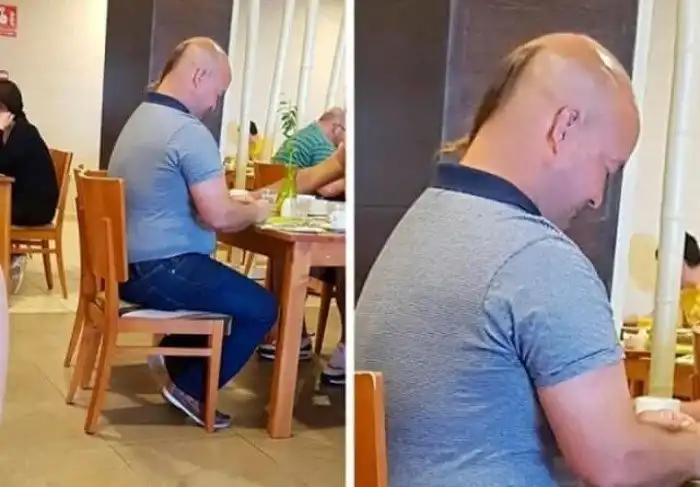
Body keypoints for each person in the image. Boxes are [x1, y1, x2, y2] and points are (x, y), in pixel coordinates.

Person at [356, 33, 700, 486]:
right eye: (607, 168)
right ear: (564, 127)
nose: (597, 197)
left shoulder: (426, 220)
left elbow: (475, 412)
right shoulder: (537, 258)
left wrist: (635, 425)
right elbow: (617, 464)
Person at [109, 37, 344, 430]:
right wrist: (257, 209)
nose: (214, 104)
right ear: (198, 76)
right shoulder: (187, 130)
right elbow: (220, 216)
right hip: (161, 268)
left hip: (128, 266)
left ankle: (177, 363)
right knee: (261, 307)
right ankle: (191, 387)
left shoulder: (143, 117)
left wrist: (241, 202)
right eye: (217, 92)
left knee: (228, 291)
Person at [0, 79, 58, 294]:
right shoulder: (11, 132)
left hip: (36, 207)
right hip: (21, 199)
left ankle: (10, 259)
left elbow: (3, 164)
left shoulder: (24, 133)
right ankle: (10, 257)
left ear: (11, 108)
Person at [272, 107, 345, 168]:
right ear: (337, 129)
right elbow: (328, 178)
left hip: (273, 178)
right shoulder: (323, 144)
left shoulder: (307, 132)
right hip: (288, 180)